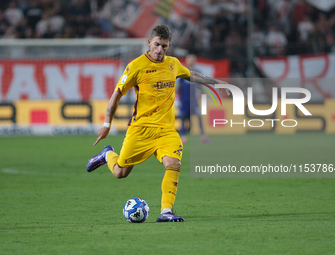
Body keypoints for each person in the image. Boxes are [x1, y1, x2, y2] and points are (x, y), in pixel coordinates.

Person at [86, 25, 229, 222]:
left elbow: (192, 75)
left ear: (169, 45)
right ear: (149, 43)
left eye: (163, 46)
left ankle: (166, 212)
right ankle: (107, 154)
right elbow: (116, 95)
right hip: (141, 130)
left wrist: (215, 82)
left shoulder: (173, 64)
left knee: (174, 164)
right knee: (120, 173)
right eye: (156, 45)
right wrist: (107, 124)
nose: (159, 50)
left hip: (166, 131)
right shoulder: (135, 66)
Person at [177, 54, 210, 144]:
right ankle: (183, 137)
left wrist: (204, 95)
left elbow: (201, 85)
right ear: (187, 61)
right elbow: (178, 87)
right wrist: (177, 99)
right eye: (189, 59)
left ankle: (203, 136)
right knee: (183, 118)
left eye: (192, 59)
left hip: (194, 100)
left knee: (199, 116)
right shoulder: (183, 72)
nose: (191, 61)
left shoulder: (197, 72)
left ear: (195, 61)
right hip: (184, 100)